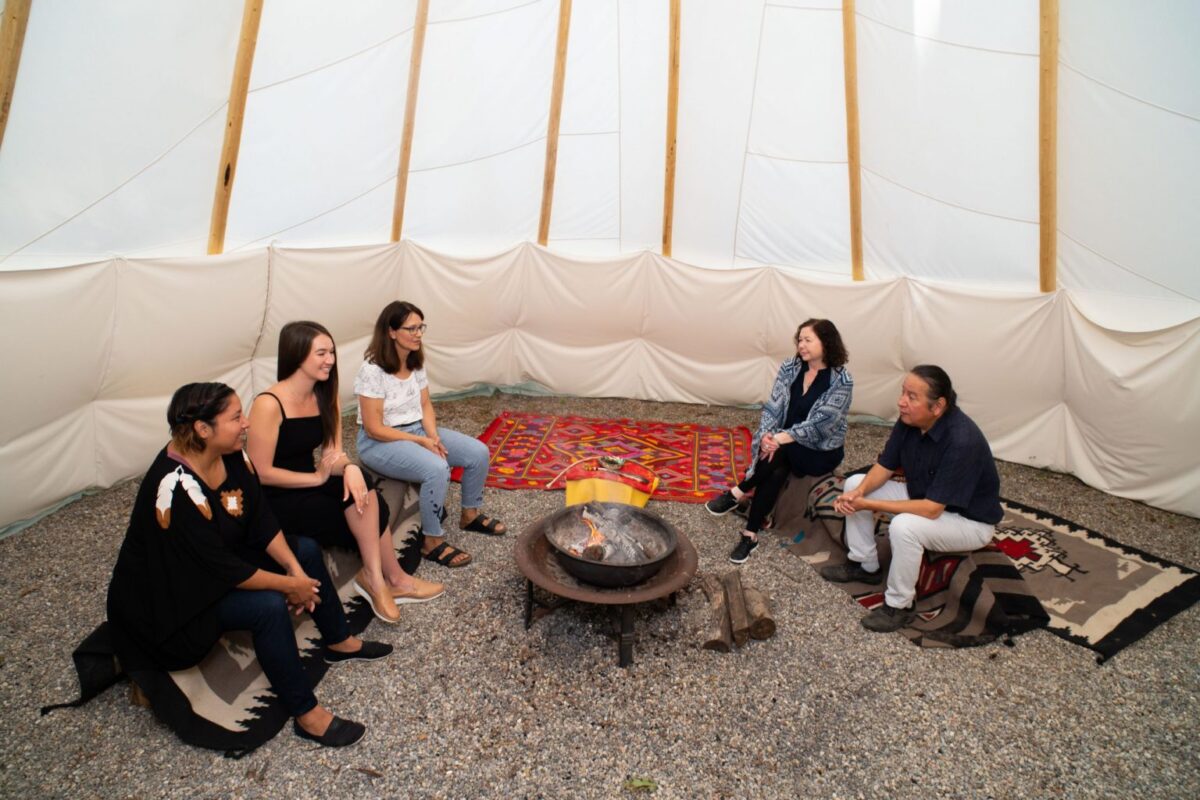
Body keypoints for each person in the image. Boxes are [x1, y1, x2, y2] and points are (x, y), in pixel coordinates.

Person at [106, 382, 392, 748]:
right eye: (235, 417)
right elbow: (224, 570)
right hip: (171, 605)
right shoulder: (173, 489)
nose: (246, 424)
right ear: (202, 429)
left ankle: (340, 641)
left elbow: (260, 519)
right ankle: (307, 715)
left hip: (214, 568)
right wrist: (289, 587)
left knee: (303, 549)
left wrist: (296, 571)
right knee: (267, 607)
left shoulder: (229, 455)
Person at [247, 321, 444, 626]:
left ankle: (382, 578)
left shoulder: (326, 397)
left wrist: (349, 467)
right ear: (297, 355)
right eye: (321, 353)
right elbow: (260, 473)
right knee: (369, 507)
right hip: (276, 496)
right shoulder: (268, 404)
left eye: (332, 352)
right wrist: (315, 479)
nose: (330, 360)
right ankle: (385, 579)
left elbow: (332, 454)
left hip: (313, 480)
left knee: (362, 485)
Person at [822, 365, 1003, 633]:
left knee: (903, 527)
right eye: (903, 392)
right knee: (854, 483)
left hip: (967, 521)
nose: (901, 401)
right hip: (925, 494)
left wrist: (868, 504)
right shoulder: (910, 420)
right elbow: (885, 466)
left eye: (911, 396)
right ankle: (864, 564)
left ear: (938, 406)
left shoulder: (962, 440)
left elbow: (931, 511)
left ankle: (899, 605)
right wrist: (858, 494)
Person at [354, 301, 506, 569]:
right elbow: (374, 428)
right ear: (391, 332)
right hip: (379, 442)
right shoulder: (372, 370)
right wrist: (421, 442)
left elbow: (425, 406)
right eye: (410, 328)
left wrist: (433, 436)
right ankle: (431, 542)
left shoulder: (415, 362)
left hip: (416, 430)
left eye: (420, 327)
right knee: (437, 468)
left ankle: (469, 514)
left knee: (477, 452)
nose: (418, 334)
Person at [706, 319, 853, 564]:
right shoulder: (791, 367)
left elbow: (822, 424)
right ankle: (750, 535)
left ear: (826, 342)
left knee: (780, 451)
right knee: (776, 466)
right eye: (800, 339)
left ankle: (739, 491)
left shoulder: (841, 381)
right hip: (785, 443)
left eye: (808, 340)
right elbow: (773, 408)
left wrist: (778, 438)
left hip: (820, 450)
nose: (801, 345)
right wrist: (766, 434)